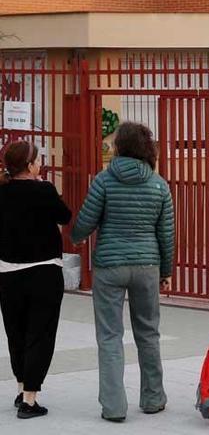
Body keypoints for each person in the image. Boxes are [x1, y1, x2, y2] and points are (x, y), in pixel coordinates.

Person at [71, 122, 174, 422]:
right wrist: (165, 270)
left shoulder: (104, 180)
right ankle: (153, 398)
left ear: (120, 146)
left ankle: (114, 407)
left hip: (109, 267)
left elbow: (86, 221)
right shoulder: (159, 185)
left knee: (109, 336)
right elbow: (166, 234)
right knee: (149, 332)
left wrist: (76, 236)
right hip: (146, 267)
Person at [0, 141, 71, 419]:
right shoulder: (44, 190)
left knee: (15, 332)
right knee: (39, 334)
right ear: (30, 166)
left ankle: (20, 387)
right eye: (38, 160)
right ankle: (30, 399)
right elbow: (64, 216)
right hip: (44, 272)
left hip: (8, 273)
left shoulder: (2, 192)